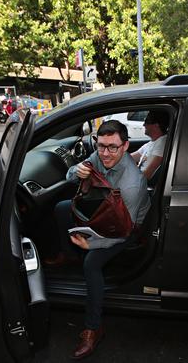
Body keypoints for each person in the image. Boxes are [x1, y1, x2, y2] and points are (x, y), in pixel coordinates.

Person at [45, 120, 150, 359]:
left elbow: (123, 230)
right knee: (62, 208)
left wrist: (91, 244)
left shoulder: (133, 184)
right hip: (105, 211)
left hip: (127, 226)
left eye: (112, 147)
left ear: (125, 146)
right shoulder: (100, 155)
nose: (105, 153)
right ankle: (68, 256)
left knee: (91, 262)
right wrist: (76, 171)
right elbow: (71, 176)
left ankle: (94, 327)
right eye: (101, 146)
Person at [131, 111, 169, 179]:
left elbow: (147, 174)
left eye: (146, 121)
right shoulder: (151, 143)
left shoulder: (162, 143)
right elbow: (130, 158)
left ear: (156, 125)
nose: (143, 125)